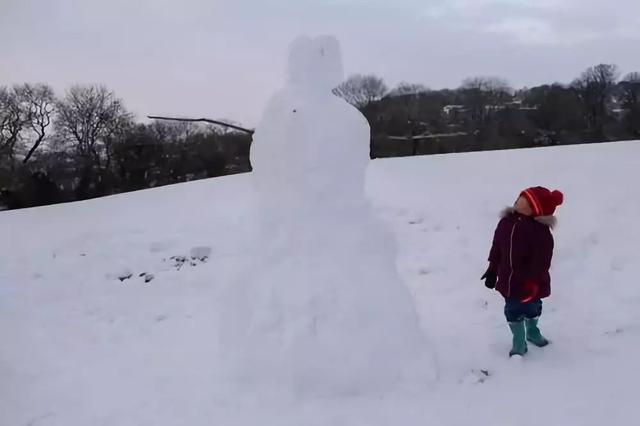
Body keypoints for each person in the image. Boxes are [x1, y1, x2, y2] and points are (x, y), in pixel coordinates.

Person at [482, 186, 564, 357]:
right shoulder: (505, 222)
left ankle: (532, 332)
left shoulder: (540, 232)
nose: (518, 202)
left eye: (524, 202)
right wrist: (492, 269)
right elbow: (497, 247)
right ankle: (519, 342)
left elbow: (542, 260)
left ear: (535, 210)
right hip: (508, 280)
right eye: (520, 198)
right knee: (512, 310)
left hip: (531, 281)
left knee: (533, 308)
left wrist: (534, 281)